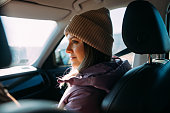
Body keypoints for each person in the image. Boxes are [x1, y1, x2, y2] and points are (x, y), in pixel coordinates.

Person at [57, 7, 132, 113]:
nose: (67, 50)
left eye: (74, 42)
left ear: (93, 47)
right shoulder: (116, 69)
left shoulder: (84, 93)